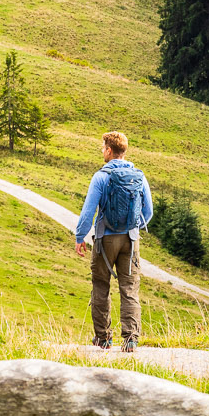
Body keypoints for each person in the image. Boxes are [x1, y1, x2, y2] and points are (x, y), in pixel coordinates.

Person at [74, 130, 153, 351]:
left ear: (109, 150)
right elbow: (149, 212)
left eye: (103, 148)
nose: (102, 151)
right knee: (129, 289)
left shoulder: (101, 177)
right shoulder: (139, 176)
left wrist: (80, 236)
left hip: (104, 240)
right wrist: (133, 226)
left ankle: (103, 338)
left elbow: (88, 211)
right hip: (130, 239)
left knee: (101, 286)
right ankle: (130, 340)